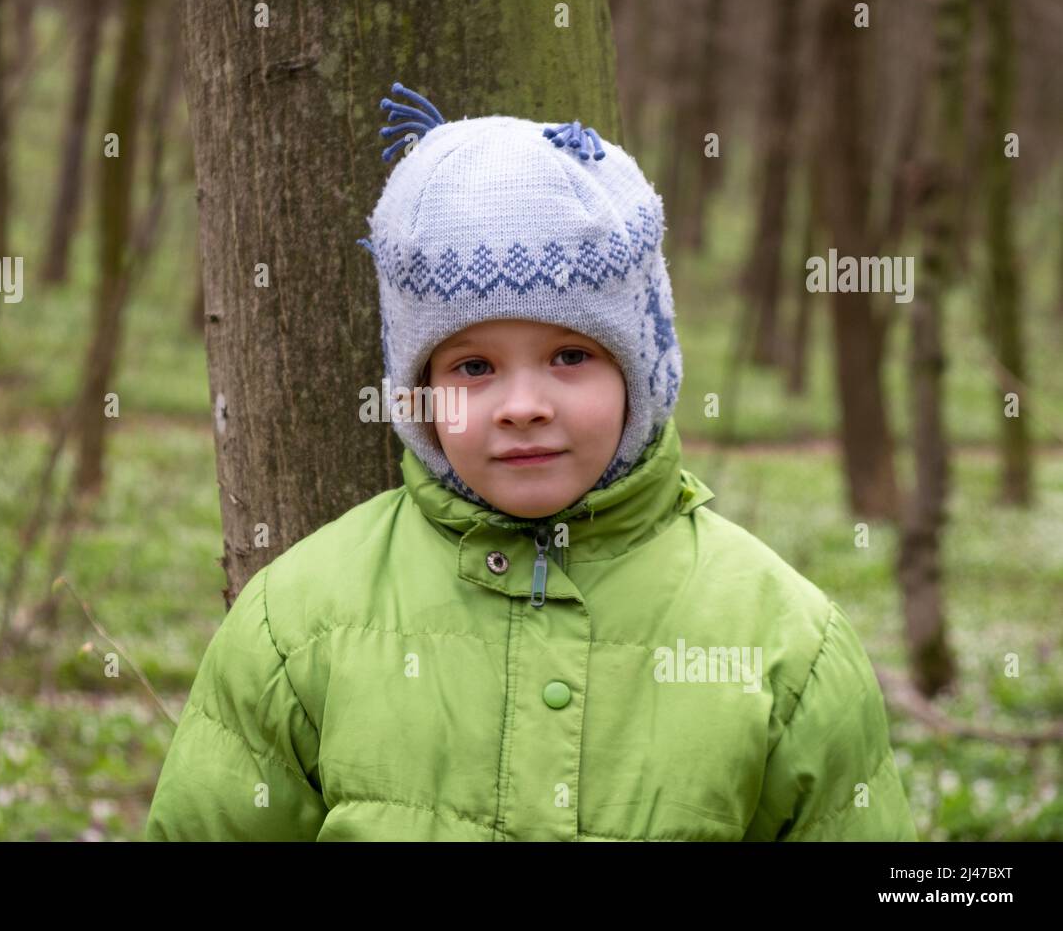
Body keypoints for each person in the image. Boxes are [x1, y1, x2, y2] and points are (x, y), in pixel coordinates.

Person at [145, 82, 918, 841]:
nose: (522, 405)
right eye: (472, 368)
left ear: (643, 371)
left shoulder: (785, 641)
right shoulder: (299, 622)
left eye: (570, 355)